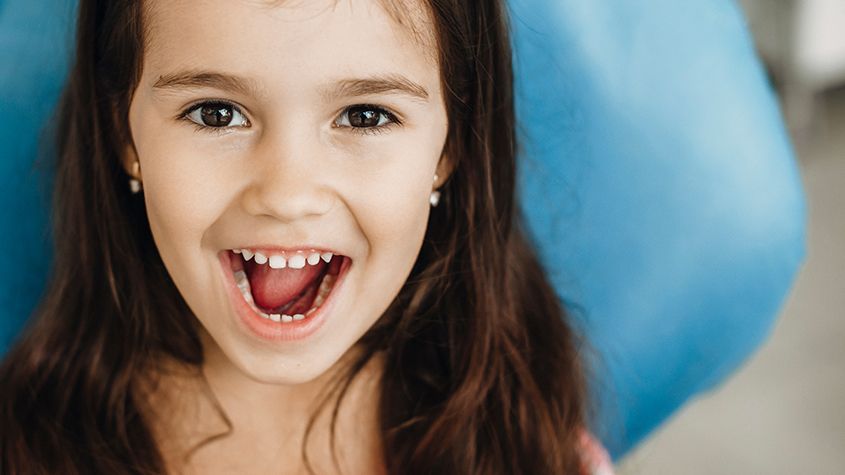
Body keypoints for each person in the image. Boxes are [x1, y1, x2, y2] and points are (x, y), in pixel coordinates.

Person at [0, 0, 614, 473]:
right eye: (216, 112)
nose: (287, 195)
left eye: (365, 116)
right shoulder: (25, 448)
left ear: (450, 148)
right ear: (126, 140)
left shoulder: (538, 452)